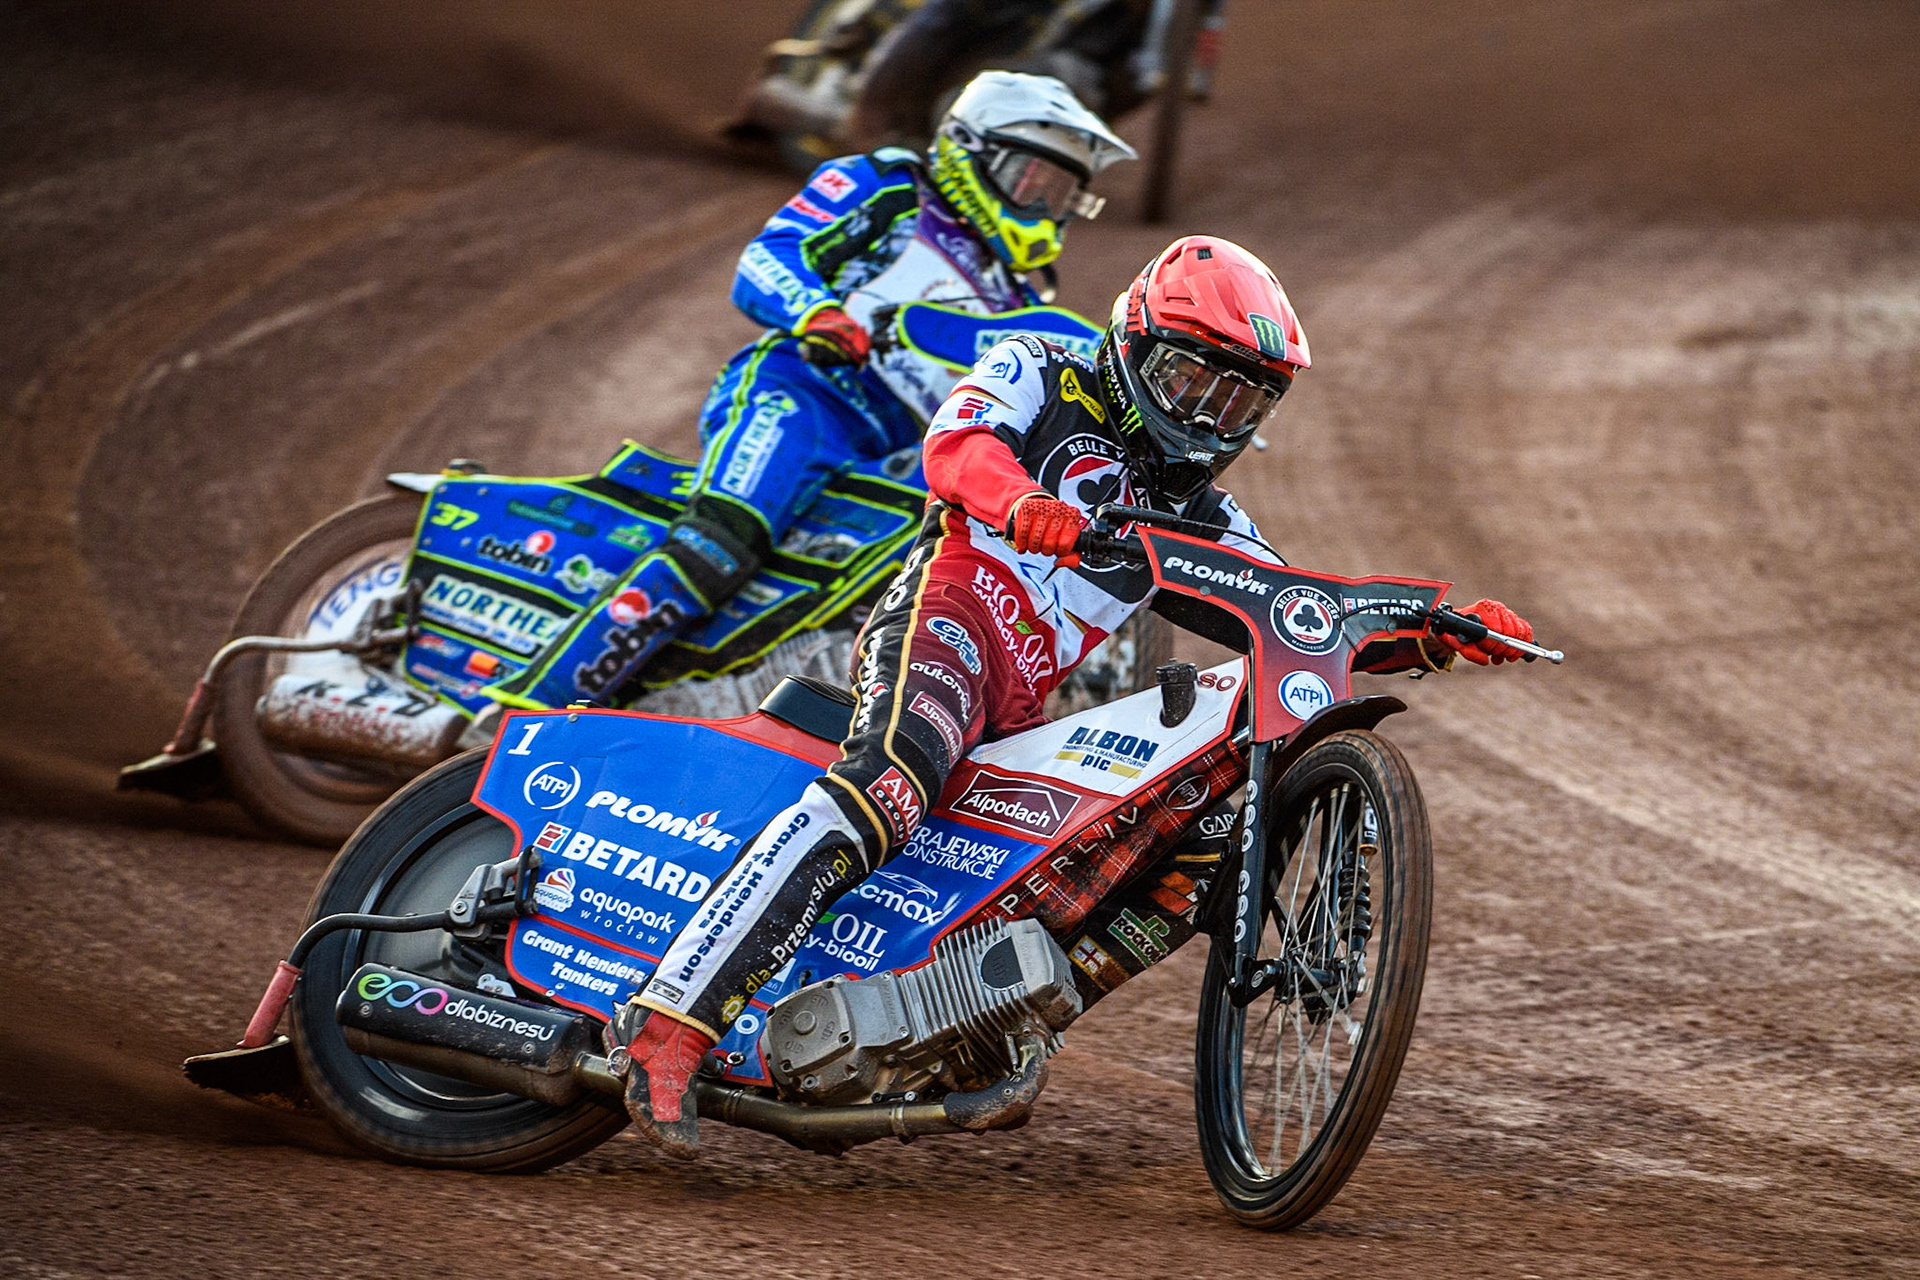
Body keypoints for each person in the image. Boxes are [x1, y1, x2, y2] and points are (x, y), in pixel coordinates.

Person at [608, 234, 1536, 1155]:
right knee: (889, 783)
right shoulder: (1042, 369)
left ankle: (957, 1026)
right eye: (1192, 383)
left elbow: (1292, 614)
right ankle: (671, 1021)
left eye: (1239, 400)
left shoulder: (1204, 515)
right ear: (1133, 343)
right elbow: (957, 444)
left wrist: (1432, 629)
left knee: (1180, 845)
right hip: (951, 616)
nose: (1210, 418)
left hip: (1021, 705)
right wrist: (1018, 505)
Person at [487, 71, 1136, 712]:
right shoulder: (892, 191)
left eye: (1060, 193)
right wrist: (817, 313)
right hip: (806, 395)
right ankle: (520, 706)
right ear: (973, 149)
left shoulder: (1018, 299)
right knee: (721, 541)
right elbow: (769, 258)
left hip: (899, 454)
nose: (1043, 206)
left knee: (917, 580)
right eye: (1033, 180)